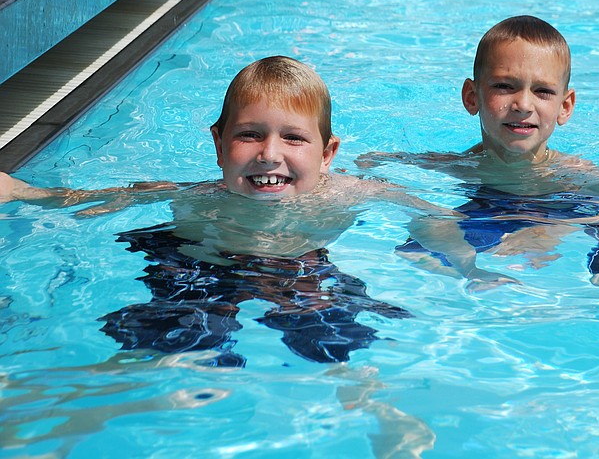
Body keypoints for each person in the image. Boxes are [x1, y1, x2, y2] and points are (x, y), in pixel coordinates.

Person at [0, 56, 494, 367]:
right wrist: (27, 193)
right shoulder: (200, 196)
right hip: (201, 262)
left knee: (339, 342)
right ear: (219, 144)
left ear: (327, 154)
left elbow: (430, 216)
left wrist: (470, 268)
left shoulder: (349, 192)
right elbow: (115, 196)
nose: (269, 154)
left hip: (298, 268)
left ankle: (367, 400)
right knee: (169, 344)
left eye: (293, 138)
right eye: (250, 135)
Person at [358, 16, 599, 285]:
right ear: (472, 97)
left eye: (542, 91)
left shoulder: (574, 174)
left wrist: (550, 230)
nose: (523, 104)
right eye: (505, 86)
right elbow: (377, 165)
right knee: (415, 252)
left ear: (565, 107)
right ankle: (480, 281)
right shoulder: (465, 164)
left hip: (564, 209)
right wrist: (375, 169)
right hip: (491, 209)